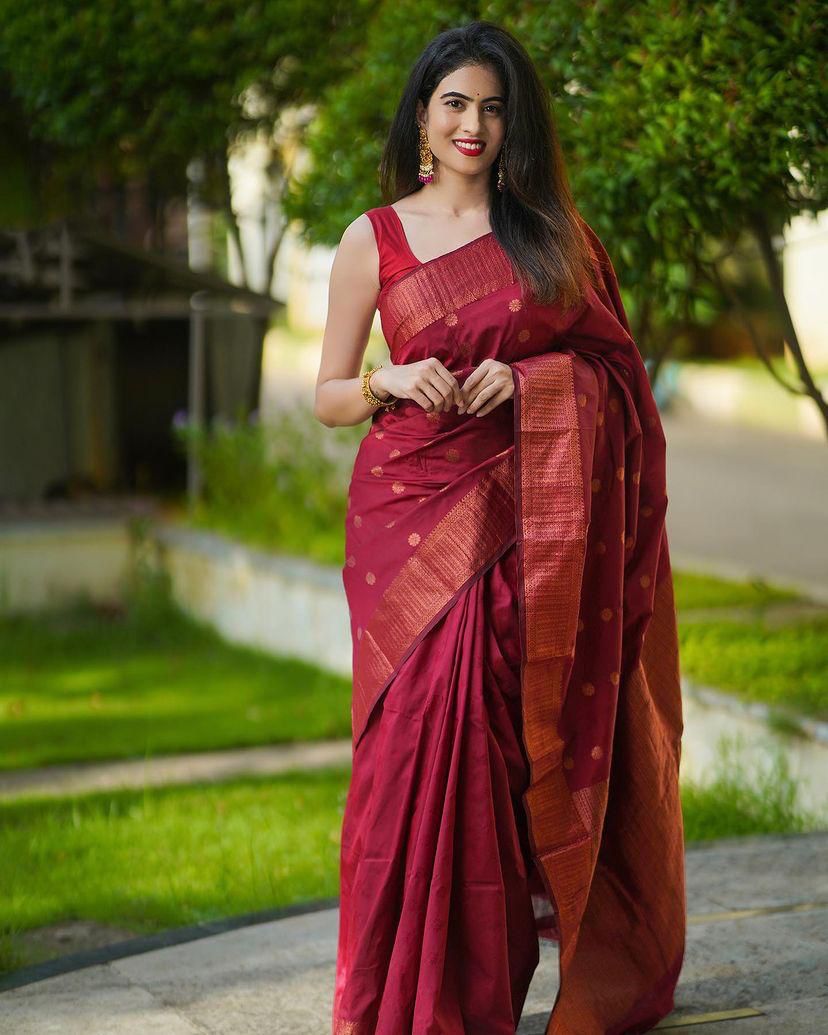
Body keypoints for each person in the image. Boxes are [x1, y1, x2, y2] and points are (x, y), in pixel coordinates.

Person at [314, 19, 686, 1035]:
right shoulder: (374, 238)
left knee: (498, 750)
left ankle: (474, 994)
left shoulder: (554, 237)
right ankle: (395, 995)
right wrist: (390, 379)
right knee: (407, 753)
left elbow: (616, 378)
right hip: (406, 517)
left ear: (514, 123)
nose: (473, 124)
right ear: (422, 118)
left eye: (493, 106)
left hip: (527, 525)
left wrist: (527, 384)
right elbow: (330, 395)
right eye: (455, 104)